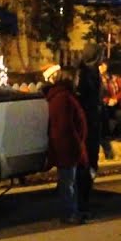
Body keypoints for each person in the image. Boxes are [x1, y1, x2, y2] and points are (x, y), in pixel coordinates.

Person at [46, 66, 87, 226]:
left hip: (68, 145)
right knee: (67, 183)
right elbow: (65, 127)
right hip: (67, 147)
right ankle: (69, 213)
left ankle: (72, 211)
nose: (78, 81)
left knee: (69, 181)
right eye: (76, 78)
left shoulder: (62, 96)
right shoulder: (63, 98)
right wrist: (76, 146)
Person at [75, 43, 104, 216]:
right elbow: (86, 100)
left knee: (91, 161)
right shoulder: (85, 75)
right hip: (88, 123)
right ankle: (82, 201)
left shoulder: (93, 72)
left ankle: (86, 196)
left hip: (93, 122)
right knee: (86, 162)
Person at [99, 61, 121, 146]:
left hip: (115, 104)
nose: (102, 67)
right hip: (103, 105)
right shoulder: (97, 79)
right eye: (101, 65)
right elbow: (99, 94)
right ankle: (105, 135)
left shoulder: (115, 78)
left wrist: (115, 99)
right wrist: (107, 100)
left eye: (104, 65)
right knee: (102, 113)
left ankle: (116, 134)